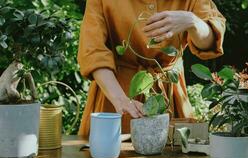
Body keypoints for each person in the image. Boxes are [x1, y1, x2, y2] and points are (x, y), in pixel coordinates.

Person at [78, 0, 226, 137]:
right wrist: (121, 100)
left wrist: (192, 21)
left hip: (169, 94)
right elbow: (92, 51)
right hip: (115, 96)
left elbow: (211, 41)